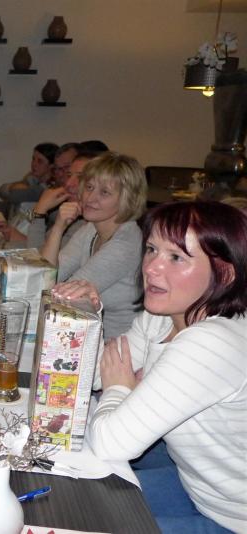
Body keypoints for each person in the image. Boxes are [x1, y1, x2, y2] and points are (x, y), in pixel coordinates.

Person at [55, 201, 247, 533]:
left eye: (177, 257)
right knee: (66, 501)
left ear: (225, 274)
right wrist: (88, 315)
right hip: (194, 486)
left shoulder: (211, 342)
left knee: (79, 520)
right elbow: (95, 374)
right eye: (152, 249)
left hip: (232, 516)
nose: (152, 268)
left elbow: (111, 443)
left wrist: (119, 388)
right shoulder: (162, 318)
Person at [41, 152, 147, 339]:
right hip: (84, 336)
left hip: (116, 345)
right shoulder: (91, 229)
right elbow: (45, 278)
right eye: (89, 187)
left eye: (104, 192)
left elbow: (60, 297)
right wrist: (58, 227)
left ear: (127, 198)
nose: (90, 198)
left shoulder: (125, 244)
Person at [26, 151, 91, 248]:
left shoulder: (83, 226)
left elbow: (37, 254)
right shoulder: (72, 211)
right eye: (69, 175)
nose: (68, 183)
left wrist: (40, 211)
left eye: (80, 177)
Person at [0, 142, 59, 236]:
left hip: (29, 236)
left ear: (51, 166)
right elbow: (1, 190)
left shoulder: (46, 189)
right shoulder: (32, 180)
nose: (34, 164)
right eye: (33, 159)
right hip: (16, 228)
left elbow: (13, 195)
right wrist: (23, 183)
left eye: (40, 161)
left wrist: (15, 186)